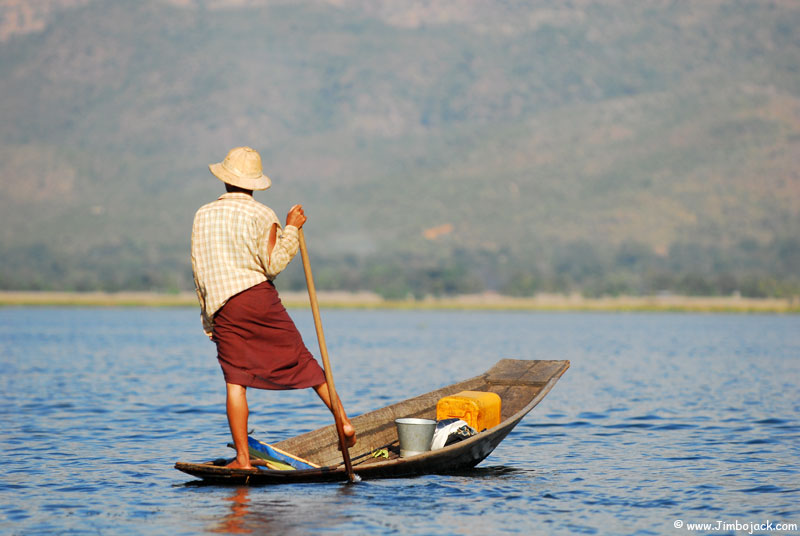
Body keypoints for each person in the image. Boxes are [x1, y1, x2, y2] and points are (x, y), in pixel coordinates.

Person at [191, 146, 356, 470]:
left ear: (225, 180)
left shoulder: (202, 214)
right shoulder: (263, 214)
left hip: (224, 306)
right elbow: (274, 264)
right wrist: (292, 227)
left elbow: (198, 270)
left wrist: (207, 320)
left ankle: (242, 459)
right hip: (257, 298)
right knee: (304, 360)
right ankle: (344, 422)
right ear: (253, 184)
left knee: (235, 380)